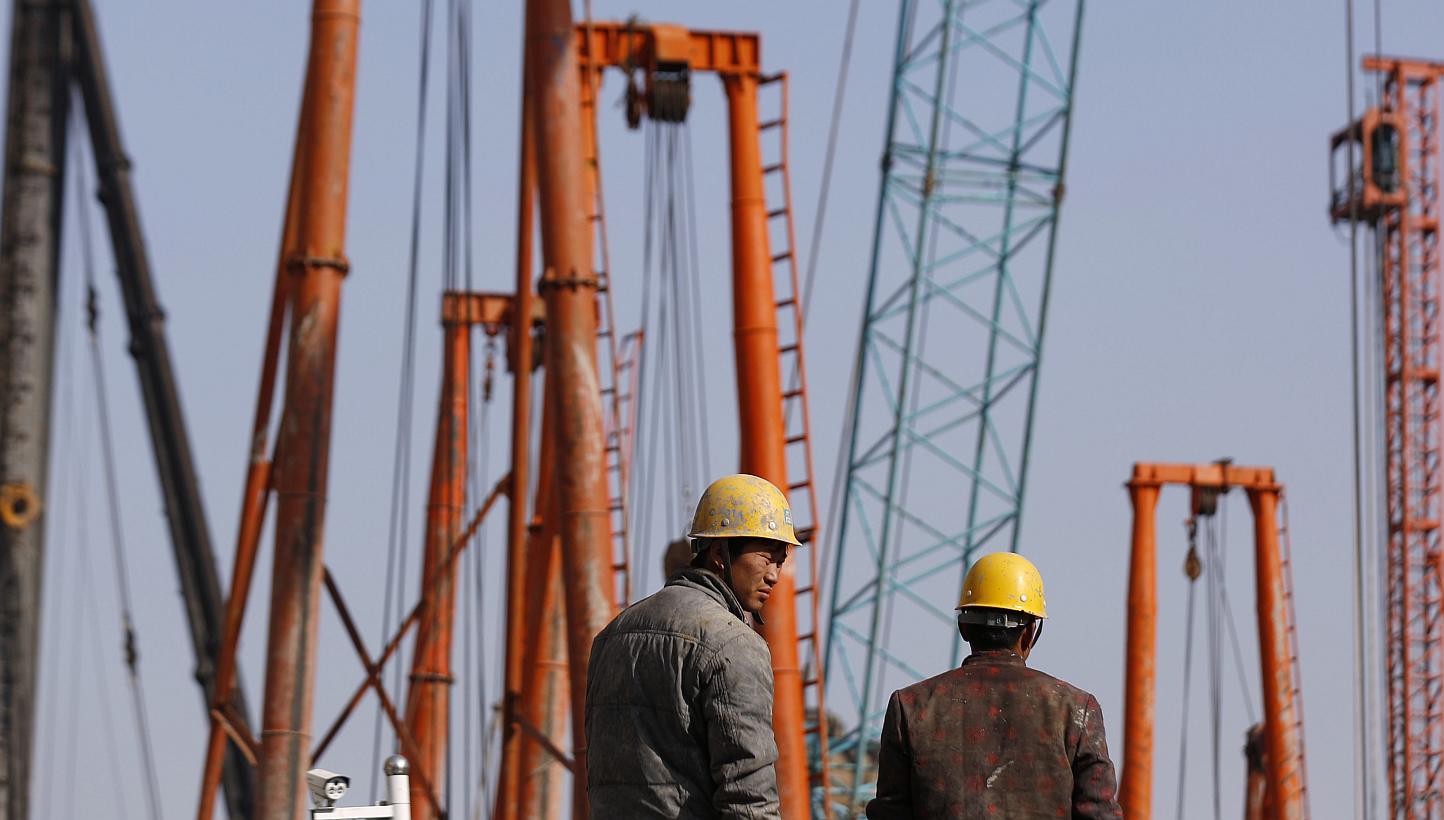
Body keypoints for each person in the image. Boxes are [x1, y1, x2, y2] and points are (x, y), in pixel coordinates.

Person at [585, 473, 800, 819]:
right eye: (765, 557)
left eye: (780, 561)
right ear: (719, 553)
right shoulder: (734, 644)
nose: (774, 575)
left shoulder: (611, 636)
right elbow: (749, 799)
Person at [867, 551, 1122, 819]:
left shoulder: (910, 706)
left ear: (963, 628)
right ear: (1030, 632)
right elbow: (1100, 814)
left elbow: (889, 814)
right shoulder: (1076, 709)